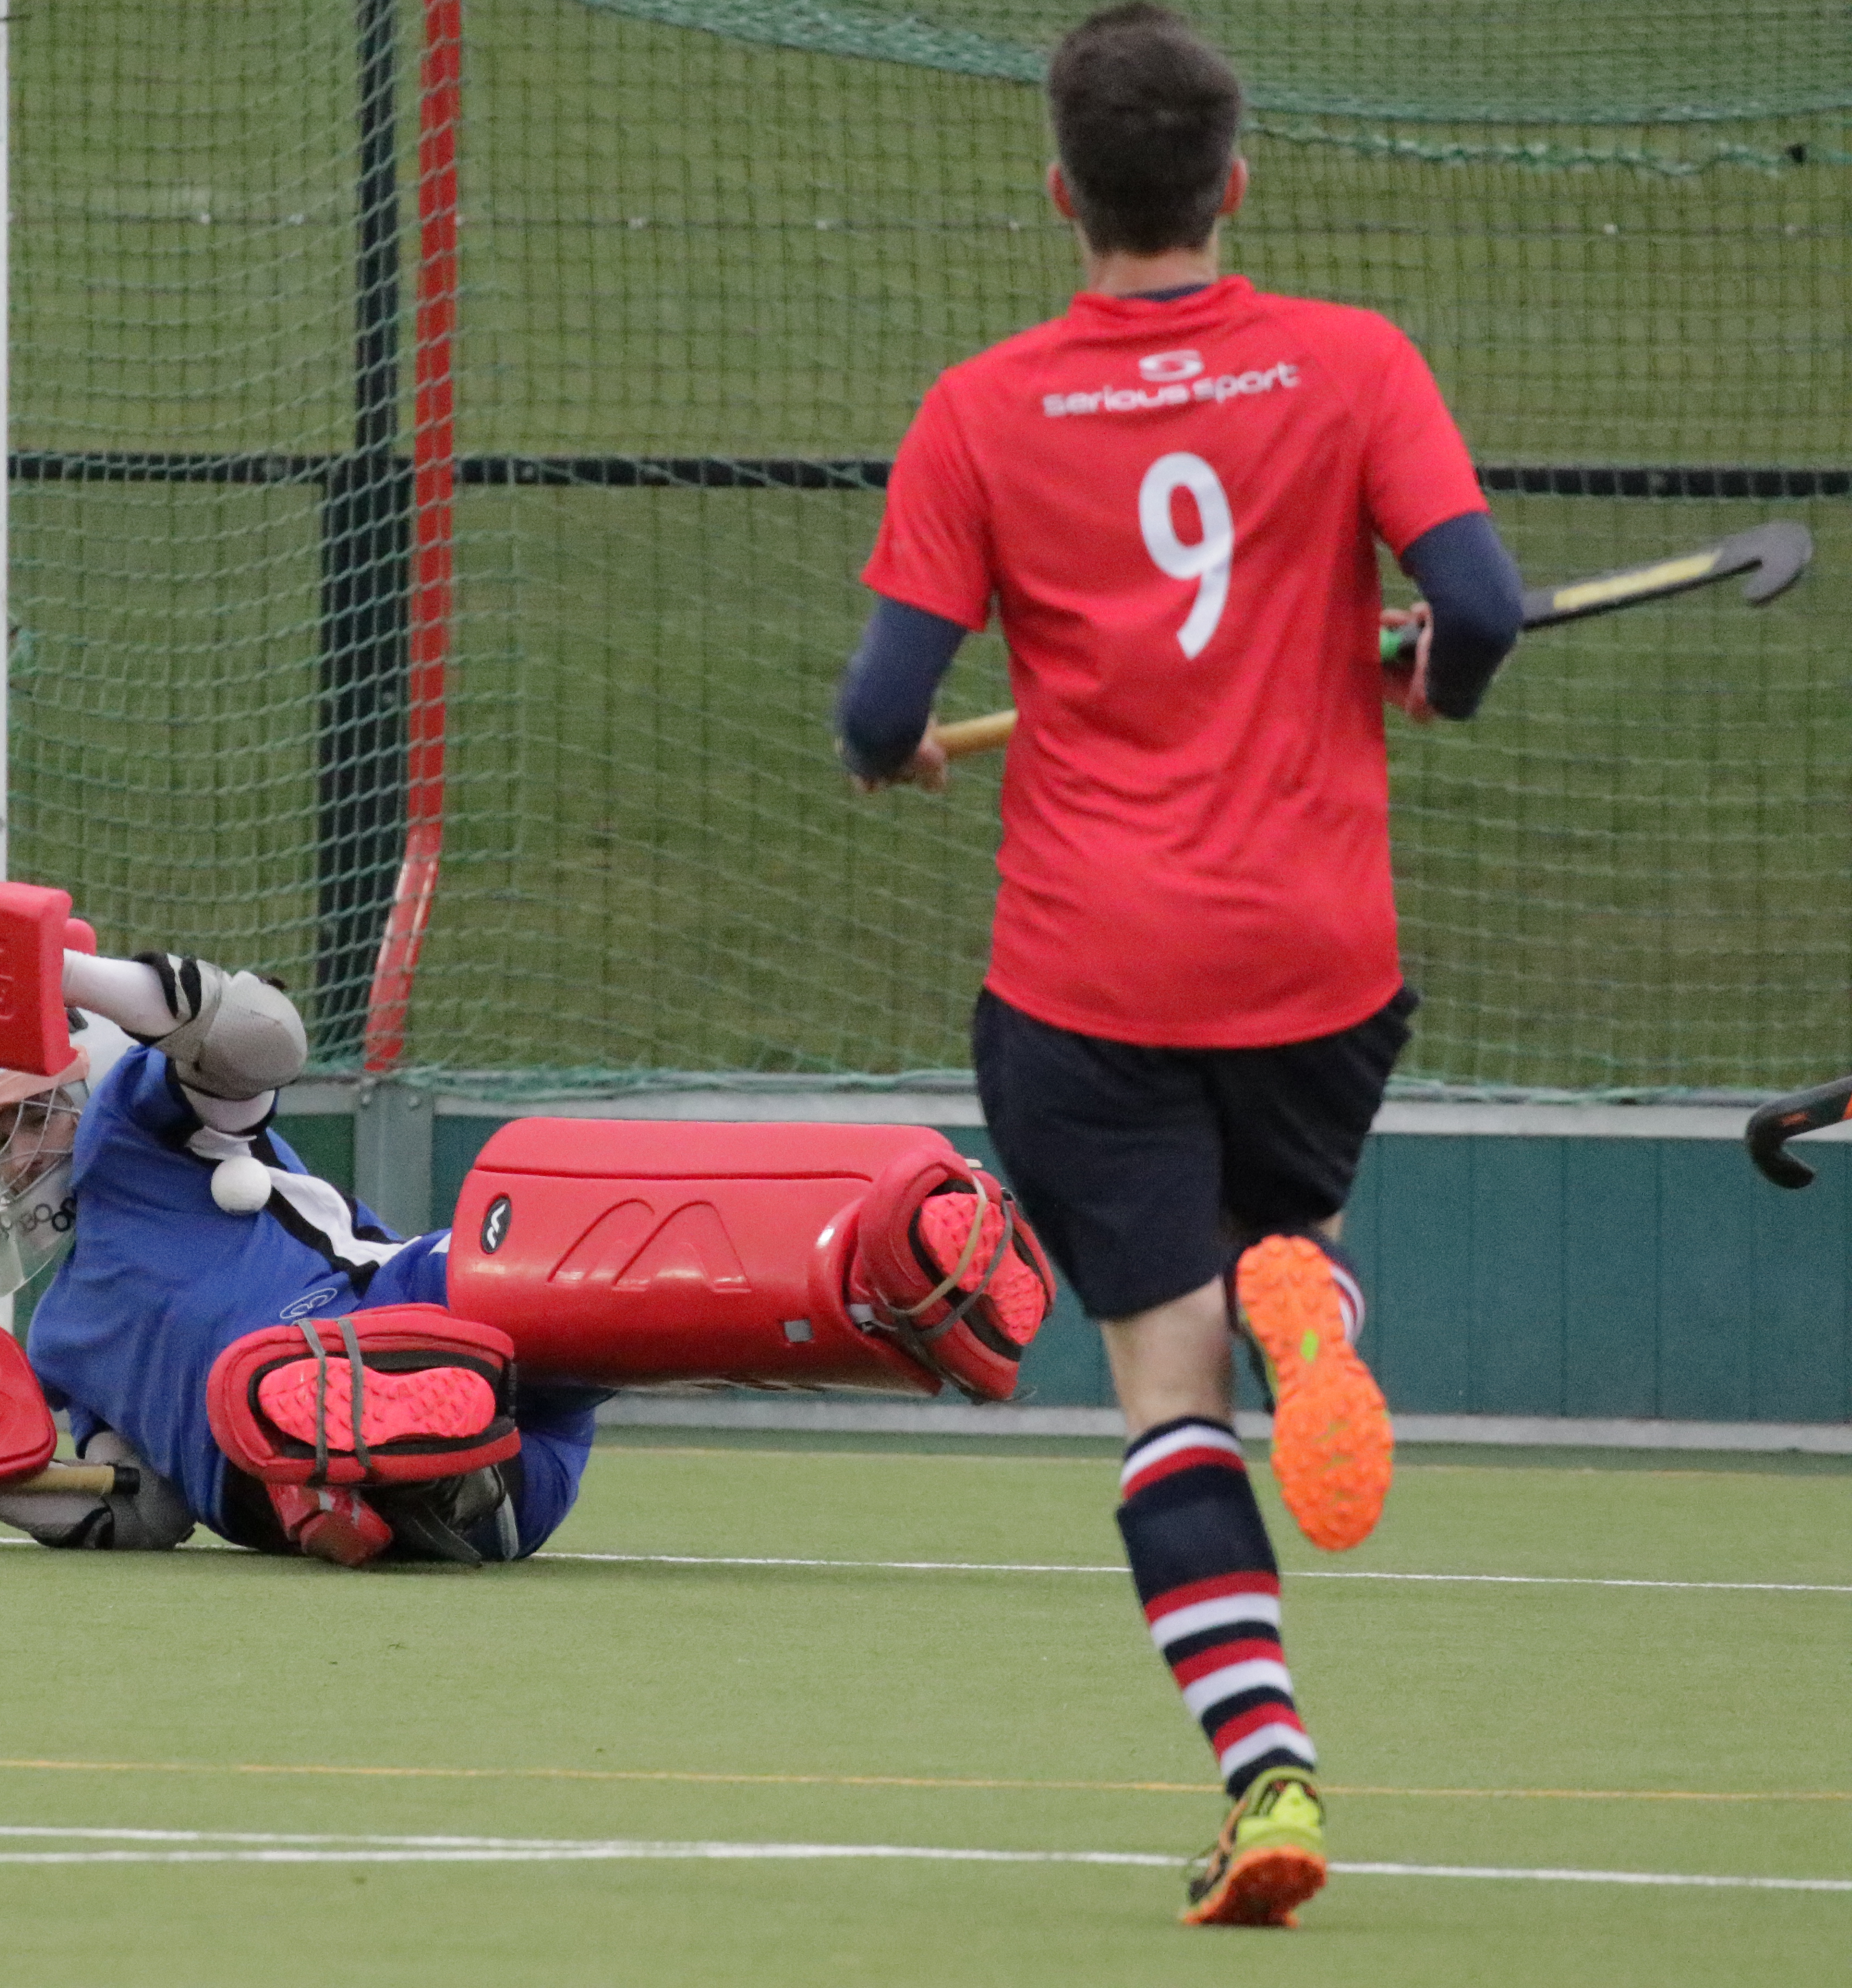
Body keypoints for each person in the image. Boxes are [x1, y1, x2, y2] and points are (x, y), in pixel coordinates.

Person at [834, 3, 1523, 1929]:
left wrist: (889, 743)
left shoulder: (984, 407)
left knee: (1164, 1388)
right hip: (1321, 966)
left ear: (1064, 192)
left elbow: (879, 701)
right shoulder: (1352, 360)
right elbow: (1473, 603)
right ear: (1232, 182)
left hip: (1091, 975)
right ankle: (1308, 1287)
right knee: (1253, 1291)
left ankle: (1267, 1767)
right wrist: (1427, 682)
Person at [0, 946, 615, 1568]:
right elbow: (147, 1512)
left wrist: (52, 967)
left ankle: (382, 1448)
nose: (14, 1163)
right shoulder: (59, 1342)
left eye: (36, 1118)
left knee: (576, 1278)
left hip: (416, 1311)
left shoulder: (144, 1128)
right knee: (260, 1415)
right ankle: (408, 1464)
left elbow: (262, 1035)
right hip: (487, 1505)